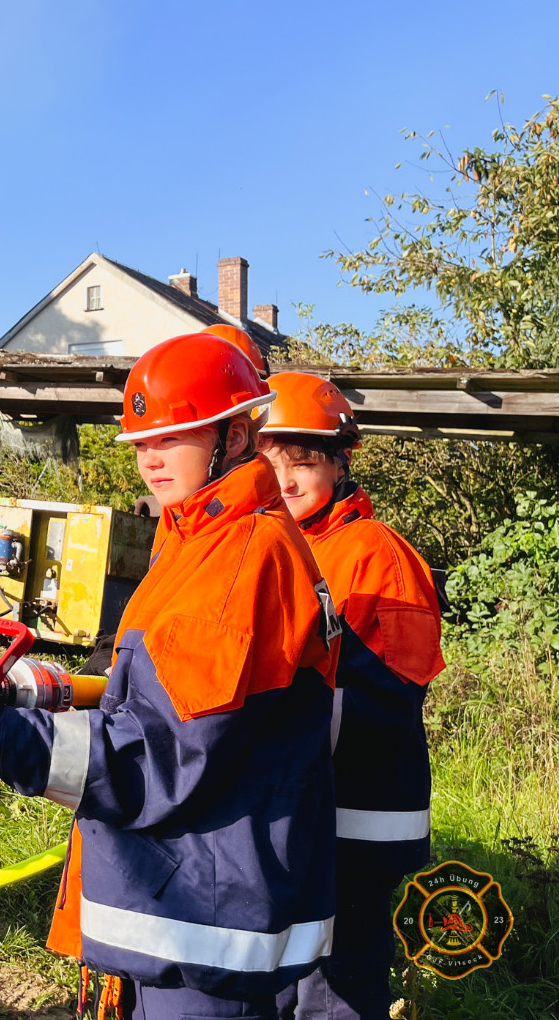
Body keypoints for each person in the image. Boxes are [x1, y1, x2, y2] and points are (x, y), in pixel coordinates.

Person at [0, 333, 340, 1020]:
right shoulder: (199, 537)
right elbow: (159, 689)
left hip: (207, 922)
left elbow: (165, 751)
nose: (150, 456)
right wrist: (48, 692)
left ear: (235, 434)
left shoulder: (239, 555)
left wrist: (12, 741)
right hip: (191, 897)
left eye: (173, 436)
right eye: (142, 441)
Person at [258, 373, 444, 1020]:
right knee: (287, 977)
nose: (284, 480)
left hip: (356, 822)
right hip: (306, 813)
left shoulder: (375, 555)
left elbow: (383, 701)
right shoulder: (285, 548)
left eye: (301, 463)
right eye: (268, 463)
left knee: (333, 989)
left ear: (339, 463)